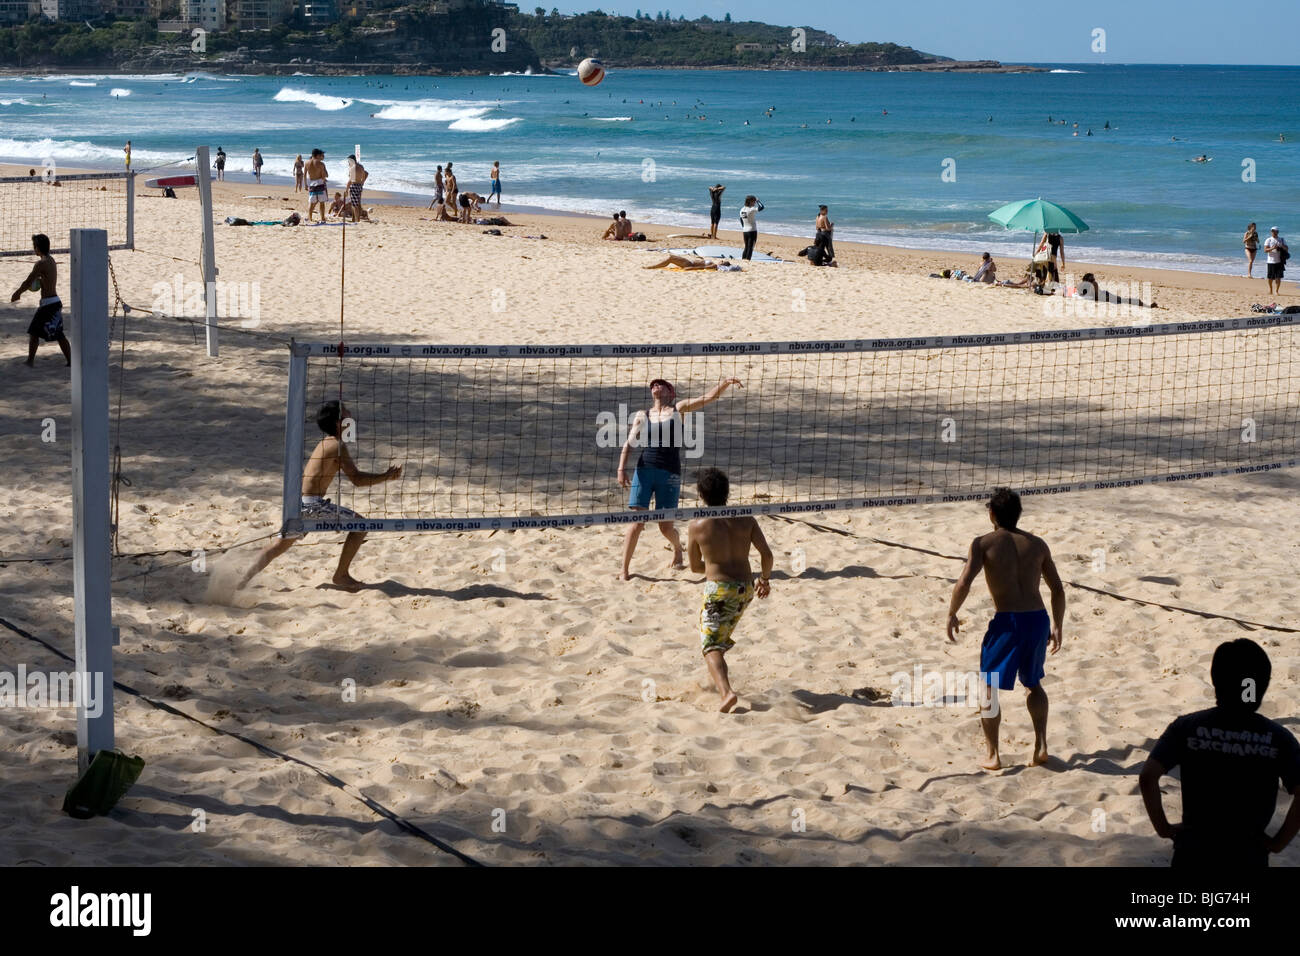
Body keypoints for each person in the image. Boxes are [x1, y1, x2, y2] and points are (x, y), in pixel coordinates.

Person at [1139, 638, 1300, 868]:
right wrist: (1278, 843)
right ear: (1261, 687)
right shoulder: (1279, 738)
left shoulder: (1186, 727)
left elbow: (1148, 777)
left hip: (1193, 851)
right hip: (1248, 853)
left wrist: (1163, 828)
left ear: (1215, 681)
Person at [946, 488, 1066, 770]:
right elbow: (1057, 588)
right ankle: (1041, 744)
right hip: (1037, 619)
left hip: (1008, 622)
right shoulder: (1037, 544)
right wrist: (1058, 624)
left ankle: (993, 754)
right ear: (1019, 513)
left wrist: (952, 613)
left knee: (989, 687)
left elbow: (964, 582)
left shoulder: (983, 544)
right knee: (1033, 683)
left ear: (991, 514)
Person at [239, 400, 402, 592]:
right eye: (347, 412)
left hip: (299, 503)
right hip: (312, 505)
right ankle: (340, 575)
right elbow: (357, 479)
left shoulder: (328, 443)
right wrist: (385, 477)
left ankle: (239, 581)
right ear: (338, 422)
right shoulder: (336, 446)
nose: (351, 415)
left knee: (278, 547)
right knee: (360, 526)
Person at [616, 376, 744, 580]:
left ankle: (677, 548)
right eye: (653, 385)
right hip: (644, 470)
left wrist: (725, 383)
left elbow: (708, 398)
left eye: (661, 384)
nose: (655, 386)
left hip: (669, 472)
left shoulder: (679, 409)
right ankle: (624, 570)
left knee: (665, 526)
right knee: (637, 522)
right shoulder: (643, 414)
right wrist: (621, 469)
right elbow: (629, 444)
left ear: (671, 392)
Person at [687, 467, 773, 713]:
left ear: (701, 495)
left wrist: (715, 566)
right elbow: (767, 555)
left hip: (719, 590)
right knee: (718, 638)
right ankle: (719, 681)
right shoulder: (746, 518)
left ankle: (726, 693)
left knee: (710, 644)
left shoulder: (697, 525)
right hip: (745, 590)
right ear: (727, 491)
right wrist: (764, 580)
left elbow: (694, 567)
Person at [9, 233, 71, 368]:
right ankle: (70, 361)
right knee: (59, 334)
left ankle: (30, 361)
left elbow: (28, 281)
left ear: (37, 248)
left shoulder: (40, 263)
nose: (34, 248)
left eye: (34, 246)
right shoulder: (51, 260)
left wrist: (17, 293)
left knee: (34, 332)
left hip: (48, 305)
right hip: (55, 302)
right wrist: (41, 283)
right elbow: (47, 281)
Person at [305, 149, 328, 222]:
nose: (322, 157)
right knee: (322, 202)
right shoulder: (321, 164)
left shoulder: (306, 163)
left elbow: (305, 175)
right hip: (320, 183)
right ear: (317, 155)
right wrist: (324, 180)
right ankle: (322, 218)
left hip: (311, 183)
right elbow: (323, 175)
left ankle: (310, 218)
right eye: (321, 155)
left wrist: (305, 184)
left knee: (311, 203)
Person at [1264, 226, 1288, 296]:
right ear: (1271, 232)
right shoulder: (1268, 240)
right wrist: (1273, 248)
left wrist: (1281, 246)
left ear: (1278, 232)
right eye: (1272, 231)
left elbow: (1287, 249)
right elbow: (1265, 250)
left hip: (1280, 261)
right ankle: (1270, 289)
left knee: (1279, 277)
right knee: (1270, 277)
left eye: (1275, 231)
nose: (1274, 232)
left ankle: (1277, 291)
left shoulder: (1282, 240)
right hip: (1271, 261)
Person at [344, 155, 369, 222]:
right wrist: (362, 182)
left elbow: (350, 180)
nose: (348, 163)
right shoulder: (361, 166)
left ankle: (357, 220)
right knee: (357, 203)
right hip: (359, 186)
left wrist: (346, 189)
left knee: (354, 205)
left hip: (354, 186)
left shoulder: (353, 168)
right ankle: (355, 219)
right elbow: (365, 174)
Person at [738, 195, 764, 260]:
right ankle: (748, 260)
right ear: (750, 201)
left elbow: (741, 219)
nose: (754, 203)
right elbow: (762, 207)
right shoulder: (751, 209)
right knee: (750, 247)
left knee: (746, 247)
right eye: (754, 202)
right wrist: (758, 201)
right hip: (752, 231)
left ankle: (743, 259)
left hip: (745, 231)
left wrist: (744, 227)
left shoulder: (742, 209)